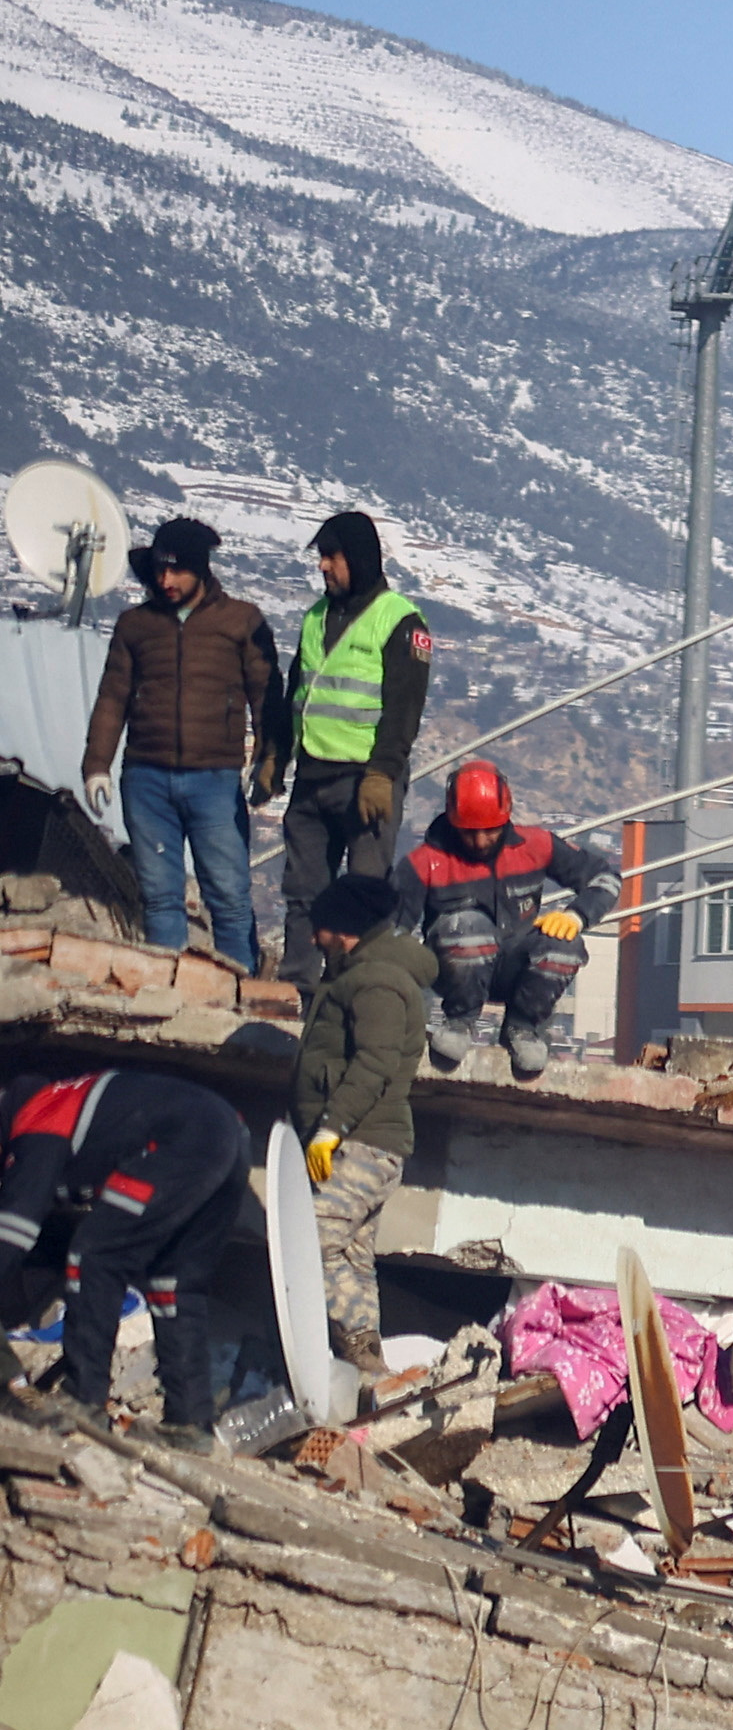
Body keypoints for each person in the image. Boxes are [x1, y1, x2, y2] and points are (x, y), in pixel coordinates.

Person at [0, 1059, 289, 1435]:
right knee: (175, 1284)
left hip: (185, 1136)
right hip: (229, 1133)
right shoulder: (72, 1103)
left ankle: (82, 1400)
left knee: (95, 1256)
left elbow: (15, 1227)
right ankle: (189, 1425)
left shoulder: (38, 1116)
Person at [78, 516, 282, 971]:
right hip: (146, 778)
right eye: (158, 571)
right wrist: (96, 765)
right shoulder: (136, 626)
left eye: (176, 571)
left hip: (215, 779)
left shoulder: (240, 621)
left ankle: (240, 994)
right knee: (160, 899)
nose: (165, 581)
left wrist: (269, 760)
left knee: (228, 896)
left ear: (201, 569)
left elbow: (266, 693)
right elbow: (113, 697)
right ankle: (167, 991)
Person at [288, 874, 435, 1364]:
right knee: (352, 1253)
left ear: (343, 929)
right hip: (368, 1141)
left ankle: (353, 1337)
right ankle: (363, 1361)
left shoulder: (376, 981)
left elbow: (375, 1063)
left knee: (314, 1239)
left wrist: (332, 1128)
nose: (314, 938)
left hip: (363, 1141)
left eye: (321, 928)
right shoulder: (361, 973)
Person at [391, 761, 613, 1085]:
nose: (480, 841)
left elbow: (605, 877)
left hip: (514, 966)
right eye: (470, 832)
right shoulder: (424, 863)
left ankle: (523, 1029)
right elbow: (392, 935)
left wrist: (576, 915)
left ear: (506, 817)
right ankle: (458, 1023)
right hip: (450, 968)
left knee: (565, 944)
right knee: (466, 926)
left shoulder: (536, 845)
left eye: (490, 830)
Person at [272, 509, 430, 935]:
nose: (322, 566)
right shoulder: (314, 617)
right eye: (321, 557)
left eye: (331, 556)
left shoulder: (399, 620)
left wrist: (382, 773)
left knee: (364, 897)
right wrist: (277, 754)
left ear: (358, 559)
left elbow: (404, 710)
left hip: (365, 779)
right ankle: (300, 992)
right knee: (303, 895)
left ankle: (360, 990)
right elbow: (298, 694)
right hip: (311, 777)